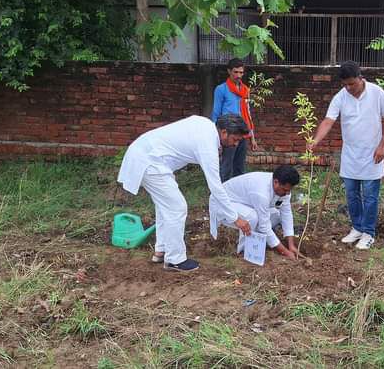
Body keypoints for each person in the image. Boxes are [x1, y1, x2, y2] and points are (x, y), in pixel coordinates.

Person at [117, 114, 252, 272]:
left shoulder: (206, 126)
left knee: (165, 207)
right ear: (223, 132)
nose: (236, 145)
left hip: (145, 156)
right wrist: (235, 218)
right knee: (177, 207)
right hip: (150, 161)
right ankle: (175, 259)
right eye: (235, 139)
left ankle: (161, 250)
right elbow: (216, 187)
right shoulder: (207, 143)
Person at [308, 61, 384, 250]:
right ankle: (357, 227)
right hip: (350, 155)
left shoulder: (376, 92)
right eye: (345, 84)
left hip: (373, 154)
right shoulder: (341, 97)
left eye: (352, 84)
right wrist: (316, 140)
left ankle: (369, 233)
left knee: (370, 196)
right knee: (352, 194)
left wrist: (382, 146)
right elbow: (328, 121)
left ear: (360, 78)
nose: (349, 88)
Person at [209, 165, 300, 261]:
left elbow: (286, 214)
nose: (287, 193)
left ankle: (259, 239)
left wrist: (291, 246)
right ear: (276, 182)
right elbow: (264, 225)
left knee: (276, 215)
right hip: (222, 204)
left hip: (244, 203)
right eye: (285, 190)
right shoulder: (261, 192)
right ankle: (244, 251)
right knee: (252, 217)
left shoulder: (284, 189)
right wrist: (285, 252)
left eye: (289, 190)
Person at [210, 58, 259, 182]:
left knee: (240, 167)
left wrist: (252, 137)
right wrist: (217, 138)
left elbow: (248, 113)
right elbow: (216, 114)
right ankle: (221, 193)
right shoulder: (221, 89)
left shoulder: (245, 90)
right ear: (229, 71)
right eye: (235, 72)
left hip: (242, 133)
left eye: (241, 72)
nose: (238, 75)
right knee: (226, 166)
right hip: (229, 134)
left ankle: (238, 193)